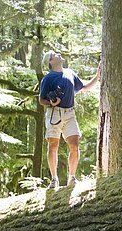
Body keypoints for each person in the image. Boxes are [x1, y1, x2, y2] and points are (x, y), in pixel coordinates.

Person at [39, 51, 101, 189]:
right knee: (53, 145)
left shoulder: (70, 73)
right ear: (50, 61)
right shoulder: (48, 78)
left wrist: (97, 76)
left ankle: (72, 178)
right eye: (54, 54)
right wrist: (51, 103)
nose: (58, 54)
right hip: (54, 113)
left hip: (70, 113)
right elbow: (41, 100)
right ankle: (54, 179)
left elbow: (84, 88)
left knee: (74, 145)